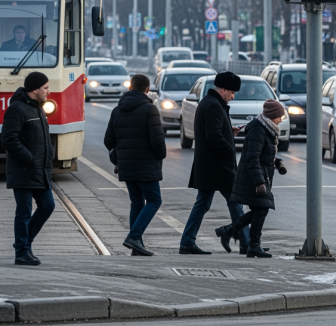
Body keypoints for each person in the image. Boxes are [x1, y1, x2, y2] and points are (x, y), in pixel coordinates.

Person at [179, 72, 251, 254]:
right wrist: (230, 148)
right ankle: (247, 243)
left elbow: (215, 131)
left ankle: (187, 241)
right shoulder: (213, 106)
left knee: (204, 204)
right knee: (235, 201)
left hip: (209, 166)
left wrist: (229, 131)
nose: (233, 96)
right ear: (223, 89)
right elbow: (214, 137)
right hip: (217, 166)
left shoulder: (210, 103)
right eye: (232, 92)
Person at [104, 74, 166, 256]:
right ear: (147, 90)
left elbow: (108, 140)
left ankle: (136, 246)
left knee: (136, 202)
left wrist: (120, 157)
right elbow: (158, 141)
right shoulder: (150, 109)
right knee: (154, 200)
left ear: (130, 88)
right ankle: (134, 236)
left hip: (126, 165)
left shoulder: (117, 110)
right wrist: (160, 155)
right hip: (146, 165)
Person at [215, 100, 287, 258]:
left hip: (260, 174)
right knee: (262, 209)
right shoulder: (258, 130)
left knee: (259, 210)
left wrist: (276, 162)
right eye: (279, 116)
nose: (281, 119)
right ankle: (253, 245)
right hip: (253, 176)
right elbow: (252, 158)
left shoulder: (267, 128)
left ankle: (229, 232)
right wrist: (259, 182)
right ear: (272, 115)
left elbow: (263, 154)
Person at [1, 72, 54, 266]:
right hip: (24, 169)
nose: (49, 91)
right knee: (23, 212)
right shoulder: (17, 109)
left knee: (48, 206)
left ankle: (25, 244)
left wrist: (49, 158)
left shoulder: (39, 109)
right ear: (35, 89)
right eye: (46, 88)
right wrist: (28, 158)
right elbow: (8, 138)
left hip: (40, 170)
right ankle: (22, 252)